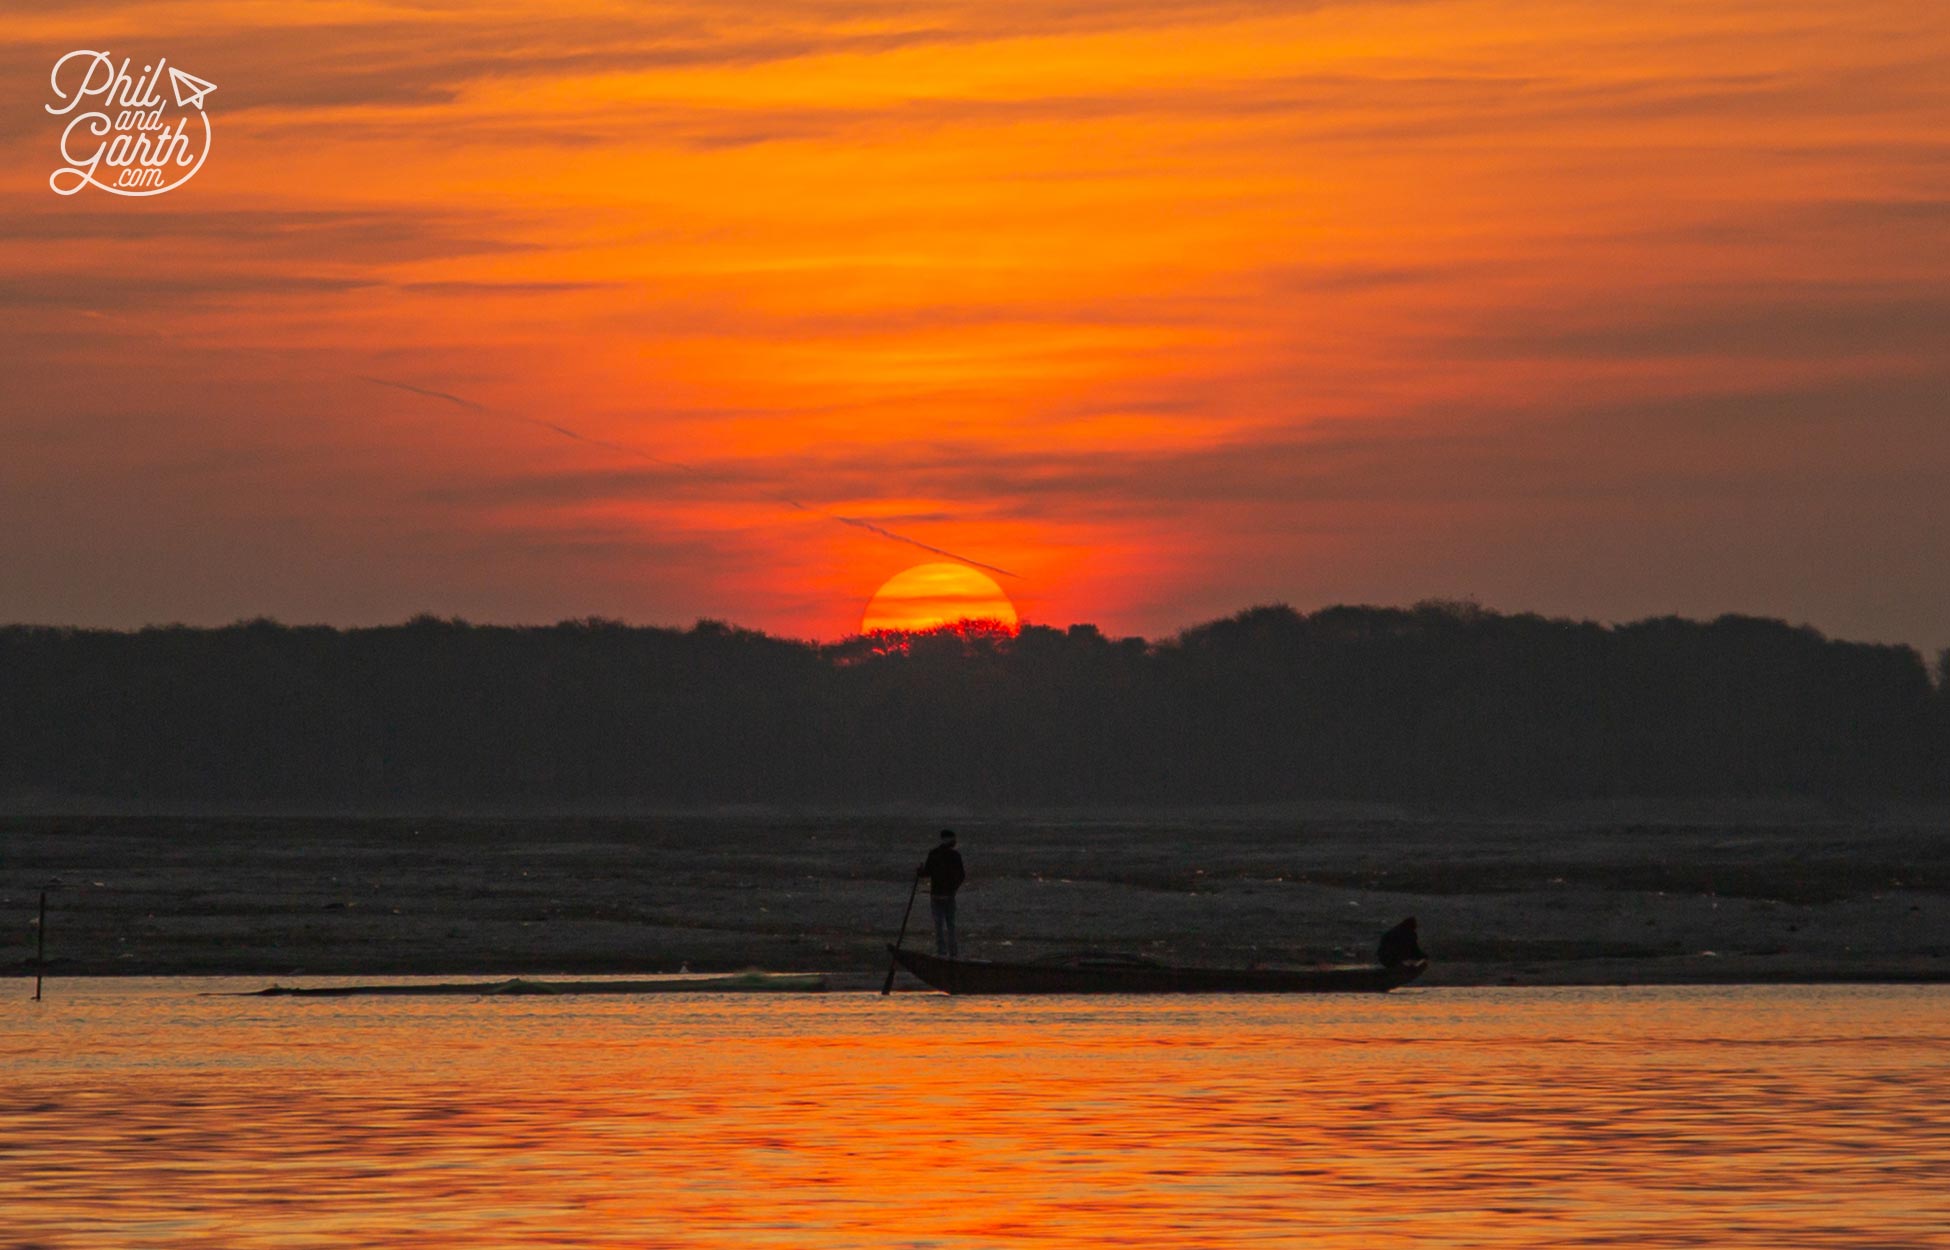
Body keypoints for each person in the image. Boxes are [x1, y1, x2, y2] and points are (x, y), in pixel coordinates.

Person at [917, 829, 966, 958]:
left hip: (936, 894)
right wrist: (953, 888)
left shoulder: (934, 854)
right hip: (948, 895)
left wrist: (919, 871)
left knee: (938, 924)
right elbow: (961, 875)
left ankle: (941, 952)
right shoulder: (955, 856)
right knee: (950, 924)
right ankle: (953, 953)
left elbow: (926, 873)